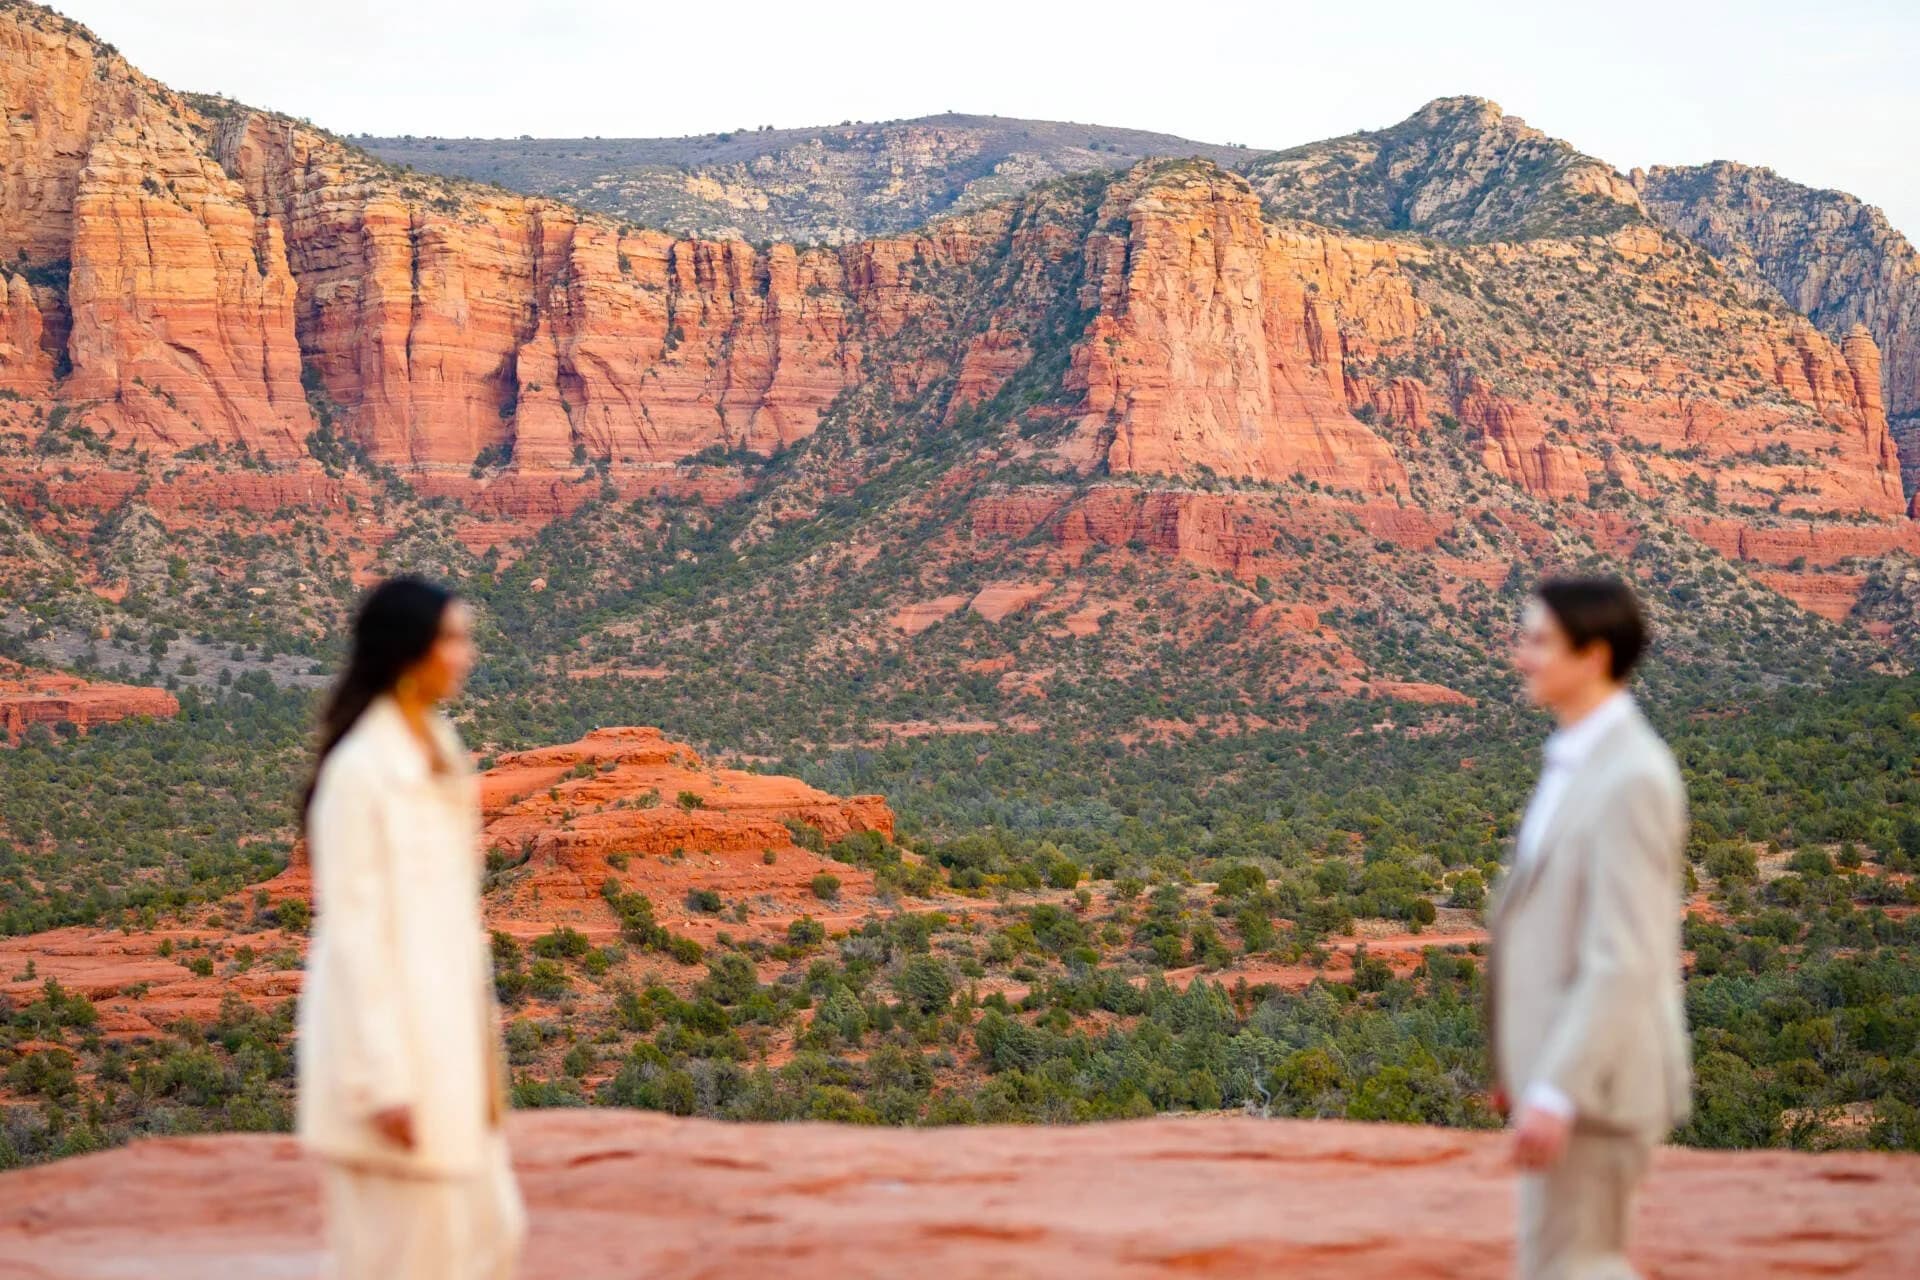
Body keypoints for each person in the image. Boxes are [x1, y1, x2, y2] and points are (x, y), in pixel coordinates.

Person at [296, 577, 525, 1279]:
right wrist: (381, 1084)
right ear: (410, 650)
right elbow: (356, 934)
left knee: (491, 1239)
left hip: (448, 1054)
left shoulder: (436, 745)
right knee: (405, 1261)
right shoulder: (360, 771)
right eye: (453, 639)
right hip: (392, 1072)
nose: (466, 654)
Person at [1489, 576, 1691, 1280]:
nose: (1521, 657)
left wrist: (1558, 1089)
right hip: (1566, 1081)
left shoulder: (1632, 777)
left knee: (1582, 1268)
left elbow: (1625, 957)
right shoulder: (1575, 762)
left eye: (1539, 641)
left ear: (1594, 655)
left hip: (1596, 1094)